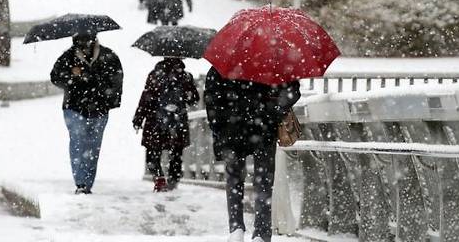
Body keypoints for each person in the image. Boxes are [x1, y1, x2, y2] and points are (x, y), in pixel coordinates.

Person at [204, 67, 301, 242]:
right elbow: (292, 91)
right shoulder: (272, 61)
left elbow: (211, 100)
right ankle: (261, 233)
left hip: (232, 129)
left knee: (234, 178)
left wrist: (219, 128)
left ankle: (236, 228)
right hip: (263, 127)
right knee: (263, 180)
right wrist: (274, 109)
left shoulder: (223, 64)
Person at [50, 33, 123, 194]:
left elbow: (117, 80)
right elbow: (55, 76)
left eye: (86, 42)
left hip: (99, 108)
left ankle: (87, 183)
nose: (84, 46)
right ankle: (81, 183)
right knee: (77, 142)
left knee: (93, 146)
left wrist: (107, 97)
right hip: (74, 107)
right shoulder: (68, 57)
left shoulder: (108, 56)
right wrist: (73, 77)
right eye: (80, 43)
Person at [132, 57, 199, 192]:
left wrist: (139, 118)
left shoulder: (155, 75)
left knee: (153, 152)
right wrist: (189, 94)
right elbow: (193, 100)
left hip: (156, 119)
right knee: (175, 153)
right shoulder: (185, 76)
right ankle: (172, 181)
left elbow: (146, 98)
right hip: (175, 120)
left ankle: (160, 179)